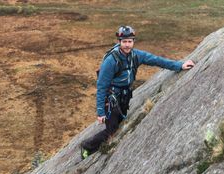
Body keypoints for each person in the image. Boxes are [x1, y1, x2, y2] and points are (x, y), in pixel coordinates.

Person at [81, 25, 195, 159]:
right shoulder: (111, 60)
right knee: (112, 130)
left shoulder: (137, 55)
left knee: (120, 123)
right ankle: (87, 146)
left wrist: (179, 66)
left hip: (124, 97)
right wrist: (100, 112)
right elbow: (101, 86)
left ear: (133, 41)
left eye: (130, 41)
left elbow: (157, 60)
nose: (127, 45)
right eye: (124, 42)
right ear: (119, 41)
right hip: (110, 98)